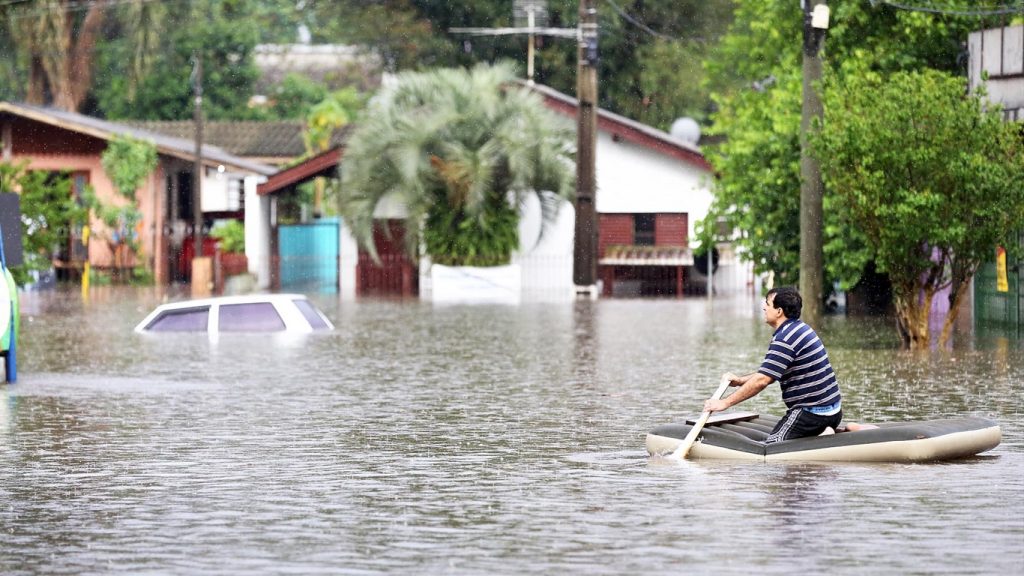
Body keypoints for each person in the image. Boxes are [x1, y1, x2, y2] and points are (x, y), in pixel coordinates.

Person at [704, 286, 843, 443]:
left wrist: (724, 403)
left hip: (812, 415)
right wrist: (740, 381)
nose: (764, 307)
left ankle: (824, 435)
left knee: (771, 447)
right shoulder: (800, 328)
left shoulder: (785, 339)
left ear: (779, 311)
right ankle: (830, 431)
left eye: (768, 304)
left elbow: (762, 380)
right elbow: (769, 373)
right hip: (834, 412)